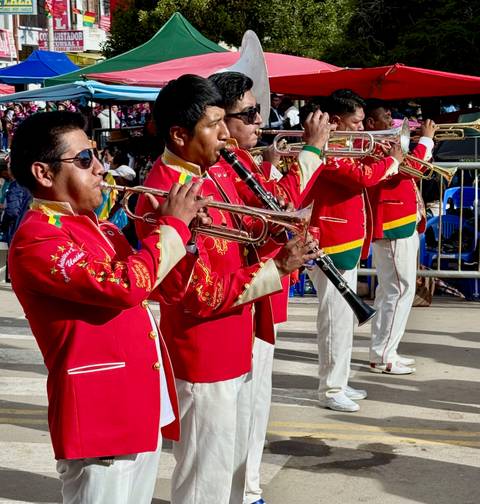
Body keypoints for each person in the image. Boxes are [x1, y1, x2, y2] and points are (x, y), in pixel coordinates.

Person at [7, 110, 211, 504]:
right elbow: (125, 287)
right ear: (44, 173)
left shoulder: (101, 227)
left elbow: (161, 290)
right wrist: (172, 228)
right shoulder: (36, 239)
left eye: (96, 155)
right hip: (100, 415)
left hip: (138, 403)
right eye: (85, 160)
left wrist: (186, 239)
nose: (100, 168)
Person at [135, 74, 320, 504]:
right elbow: (198, 294)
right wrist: (279, 267)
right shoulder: (162, 193)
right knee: (205, 476)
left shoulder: (214, 169)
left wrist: (280, 231)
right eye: (214, 124)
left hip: (236, 338)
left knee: (233, 465)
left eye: (224, 121)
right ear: (180, 135)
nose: (225, 134)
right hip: (204, 350)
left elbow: (248, 230)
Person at [209, 70, 331, 504]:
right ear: (221, 119)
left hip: (262, 292)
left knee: (255, 407)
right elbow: (278, 204)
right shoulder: (223, 165)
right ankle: (242, 491)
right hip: (244, 294)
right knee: (236, 415)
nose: (261, 120)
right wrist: (313, 148)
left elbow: (277, 204)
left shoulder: (239, 162)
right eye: (250, 112)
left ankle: (247, 487)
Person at [301, 89, 403, 412]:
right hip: (329, 240)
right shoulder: (327, 149)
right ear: (334, 121)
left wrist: (377, 154)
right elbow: (360, 177)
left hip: (344, 241)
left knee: (343, 320)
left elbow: (362, 167)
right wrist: (391, 161)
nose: (362, 129)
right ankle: (330, 389)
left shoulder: (343, 145)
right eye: (356, 123)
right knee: (334, 320)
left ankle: (339, 381)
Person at [363, 99, 436, 374]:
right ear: (372, 123)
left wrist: (421, 144)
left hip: (404, 221)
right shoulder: (374, 144)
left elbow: (415, 169)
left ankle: (385, 349)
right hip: (393, 223)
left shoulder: (390, 142)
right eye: (386, 116)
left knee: (392, 290)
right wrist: (425, 142)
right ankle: (384, 355)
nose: (392, 120)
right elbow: (409, 169)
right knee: (399, 289)